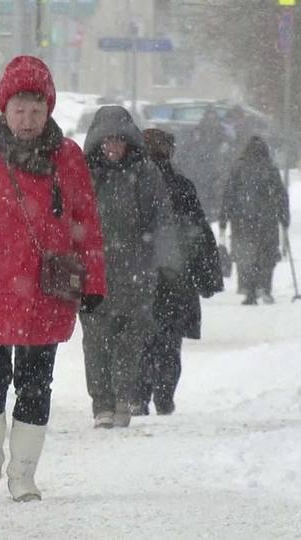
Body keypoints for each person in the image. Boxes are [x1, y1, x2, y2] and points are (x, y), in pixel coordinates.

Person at [0, 56, 106, 502]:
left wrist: (94, 283)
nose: (27, 120)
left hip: (44, 294)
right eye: (18, 110)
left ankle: (23, 475)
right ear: (3, 111)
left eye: (35, 110)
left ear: (48, 110)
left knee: (35, 383)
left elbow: (86, 222)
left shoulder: (68, 158)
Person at [80, 106, 180, 429]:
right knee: (96, 340)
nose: (112, 148)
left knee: (130, 339)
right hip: (93, 274)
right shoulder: (84, 175)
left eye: (118, 141)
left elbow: (162, 219)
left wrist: (164, 262)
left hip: (135, 273)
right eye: (106, 142)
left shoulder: (145, 174)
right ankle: (102, 404)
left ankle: (123, 396)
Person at [138, 128, 223, 415]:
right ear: (169, 152)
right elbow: (199, 232)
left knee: (141, 339)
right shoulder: (181, 185)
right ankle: (164, 395)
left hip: (140, 273)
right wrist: (207, 274)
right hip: (176, 275)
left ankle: (140, 394)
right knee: (169, 341)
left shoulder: (132, 182)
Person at [218, 136, 289, 305]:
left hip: (242, 220)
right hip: (267, 220)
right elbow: (281, 195)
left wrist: (223, 219)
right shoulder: (270, 169)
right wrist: (284, 217)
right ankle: (264, 287)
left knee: (246, 255)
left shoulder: (238, 168)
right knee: (267, 254)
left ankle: (249, 290)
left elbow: (229, 195)